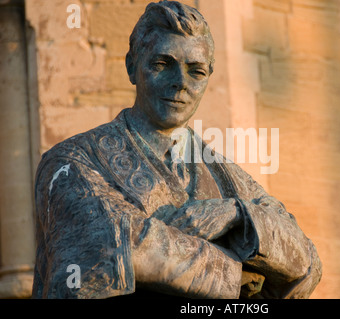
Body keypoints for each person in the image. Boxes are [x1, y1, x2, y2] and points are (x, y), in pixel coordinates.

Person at [32, 0, 322, 299]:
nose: (180, 83)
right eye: (162, 64)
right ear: (132, 66)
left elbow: (307, 261)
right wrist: (240, 275)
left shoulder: (228, 177)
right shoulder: (72, 161)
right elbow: (111, 247)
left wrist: (235, 213)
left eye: (196, 72)